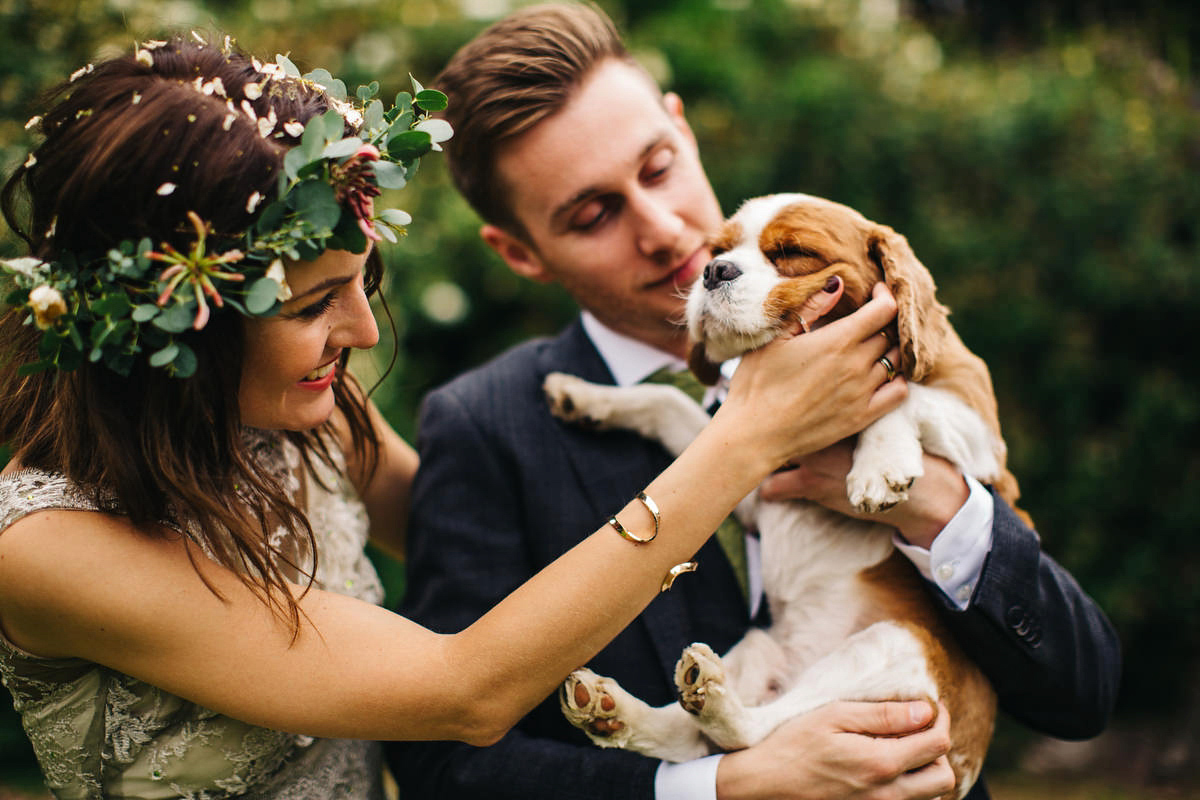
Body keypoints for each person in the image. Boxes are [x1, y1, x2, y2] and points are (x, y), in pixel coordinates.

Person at [0, 34, 910, 800]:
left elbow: (489, 535)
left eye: (363, 285)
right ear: (183, 324)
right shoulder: (45, 547)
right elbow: (465, 691)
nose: (358, 333)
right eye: (312, 304)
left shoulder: (297, 409)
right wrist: (746, 436)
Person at [386, 4, 1121, 800]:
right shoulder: (485, 427)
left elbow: (1082, 695)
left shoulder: (885, 351)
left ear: (684, 130)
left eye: (660, 167)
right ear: (519, 254)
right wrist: (712, 788)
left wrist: (938, 505)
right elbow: (443, 768)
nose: (665, 231)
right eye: (594, 214)